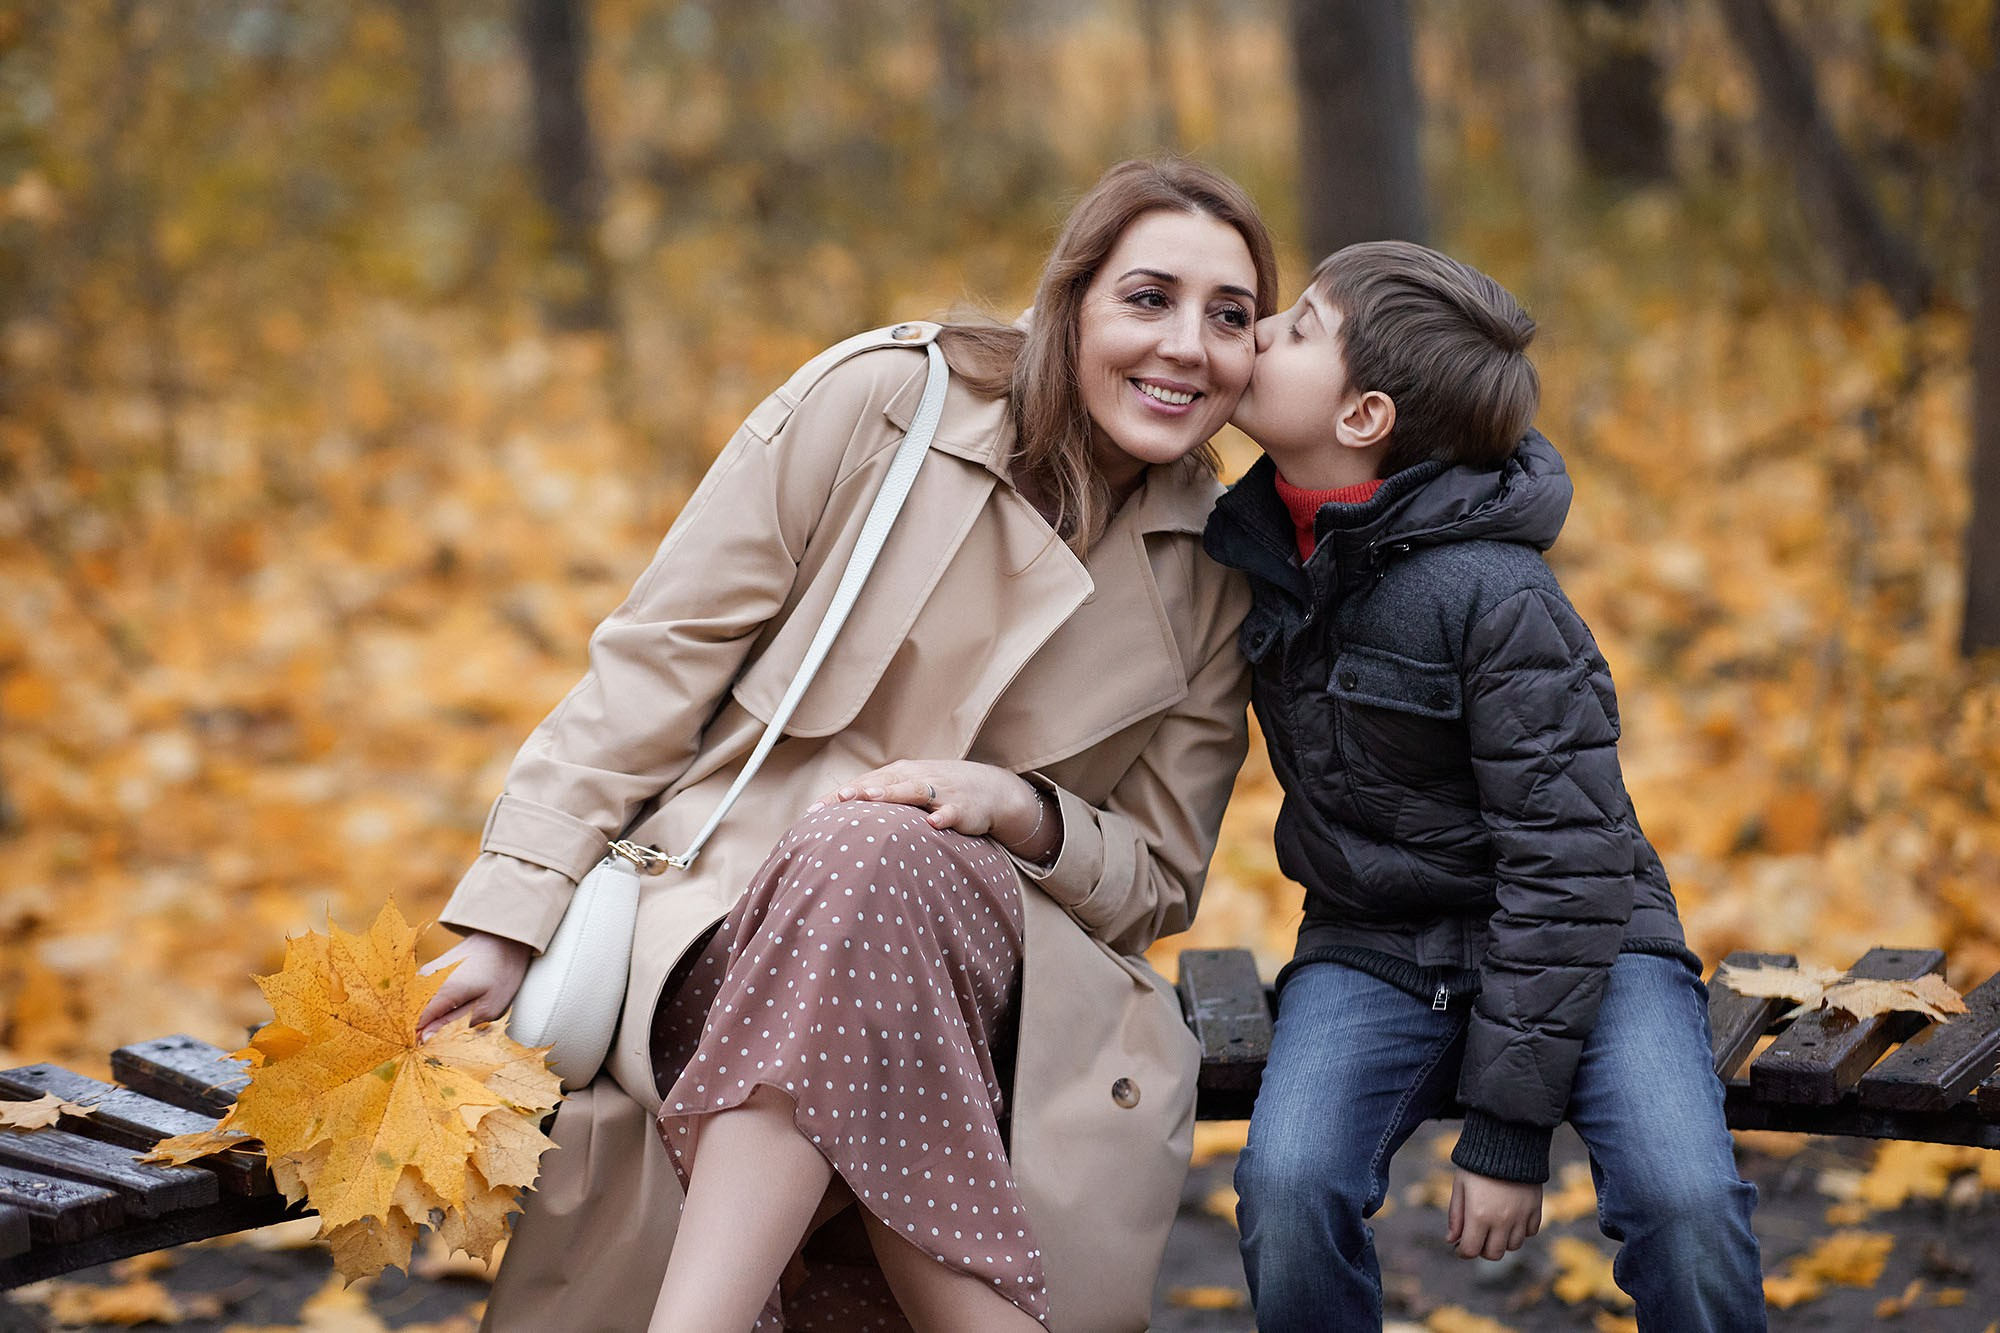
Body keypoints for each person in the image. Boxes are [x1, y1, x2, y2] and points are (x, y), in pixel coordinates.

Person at [412, 157, 1278, 1332]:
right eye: (1146, 298)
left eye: (1229, 317)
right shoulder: (879, 403)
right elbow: (655, 664)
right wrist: (508, 909)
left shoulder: (1217, 568)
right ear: (1067, 299)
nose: (1186, 345)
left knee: (878, 858)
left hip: (1008, 988)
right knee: (858, 861)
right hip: (725, 930)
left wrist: (1018, 808)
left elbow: (1159, 877)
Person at [1202, 241, 1765, 1331]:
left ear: (1361, 418)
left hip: (1589, 943)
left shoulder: (1496, 596)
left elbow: (1568, 863)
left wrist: (1507, 1135)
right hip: (1373, 941)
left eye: (1299, 326)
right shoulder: (1254, 550)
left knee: (1684, 1200)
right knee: (1286, 1186)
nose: (1261, 330)